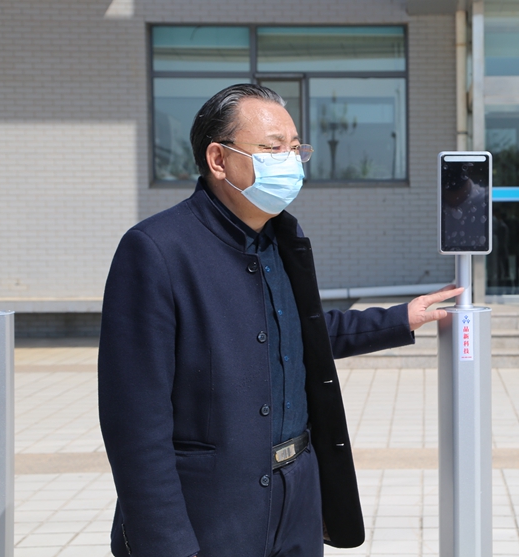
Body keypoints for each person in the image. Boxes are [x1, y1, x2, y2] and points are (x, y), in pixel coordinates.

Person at [98, 83, 463, 557]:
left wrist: (400, 319)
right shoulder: (157, 250)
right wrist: (167, 545)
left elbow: (298, 333)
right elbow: (134, 422)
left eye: (295, 148)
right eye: (273, 149)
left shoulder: (281, 240)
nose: (289, 161)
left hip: (296, 504)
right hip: (211, 515)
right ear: (218, 159)